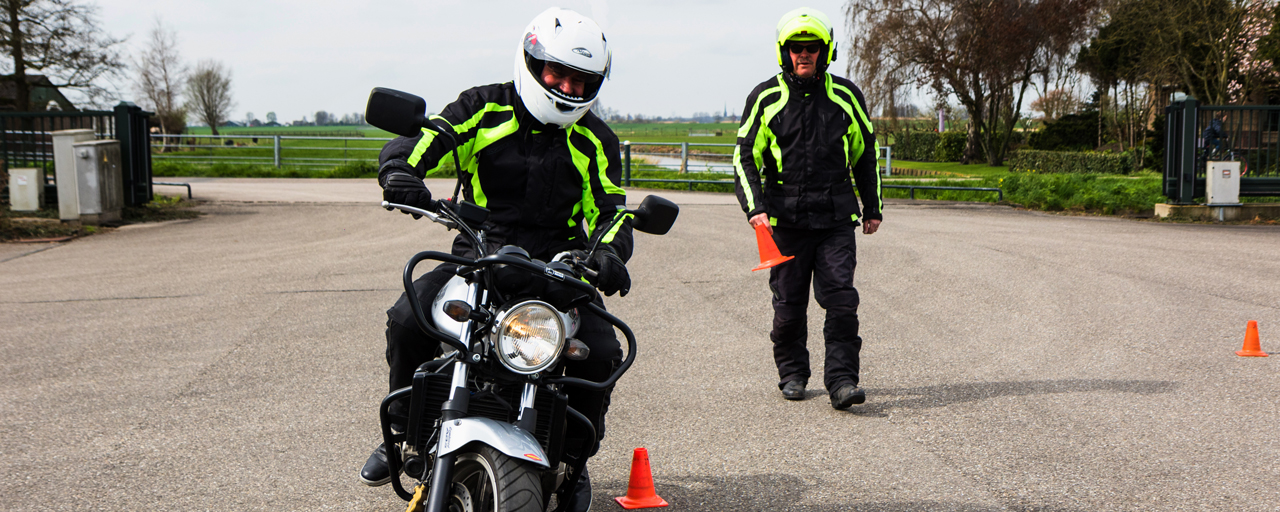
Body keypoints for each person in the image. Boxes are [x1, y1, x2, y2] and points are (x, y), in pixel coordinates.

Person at [359, 8, 631, 510]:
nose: (568, 88)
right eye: (557, 74)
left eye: (581, 80)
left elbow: (612, 209)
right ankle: (399, 433)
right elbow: (426, 140)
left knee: (601, 353)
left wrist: (610, 253)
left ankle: (574, 463)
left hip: (559, 265)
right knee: (407, 317)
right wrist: (399, 170)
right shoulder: (482, 107)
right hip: (479, 247)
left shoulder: (596, 139)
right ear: (530, 62)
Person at [732, 7, 882, 410]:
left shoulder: (846, 95)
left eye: (811, 48)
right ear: (784, 52)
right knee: (788, 308)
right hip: (784, 223)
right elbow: (744, 156)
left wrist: (873, 207)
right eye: (796, 48)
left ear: (825, 51)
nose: (804, 55)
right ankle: (793, 373)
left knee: (842, 300)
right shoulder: (765, 98)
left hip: (835, 221)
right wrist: (754, 208)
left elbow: (866, 154)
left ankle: (842, 381)